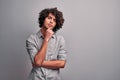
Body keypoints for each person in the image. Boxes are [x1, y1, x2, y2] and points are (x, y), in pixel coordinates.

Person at [26, 7, 67, 80]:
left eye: (54, 20)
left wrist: (39, 63)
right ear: (43, 19)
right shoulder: (31, 39)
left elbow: (62, 63)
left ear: (56, 24)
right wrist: (46, 39)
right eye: (49, 18)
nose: (51, 21)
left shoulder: (60, 40)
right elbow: (37, 61)